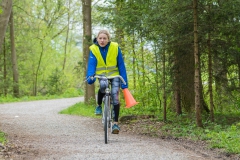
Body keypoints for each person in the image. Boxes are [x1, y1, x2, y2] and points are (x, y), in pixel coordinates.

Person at [86, 30, 128, 134]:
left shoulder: (115, 47)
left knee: (115, 96)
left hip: (115, 75)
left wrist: (124, 82)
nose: (102, 40)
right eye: (100, 38)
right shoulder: (94, 49)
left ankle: (115, 124)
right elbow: (91, 64)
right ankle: (99, 105)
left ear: (108, 39)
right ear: (97, 38)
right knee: (103, 86)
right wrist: (90, 76)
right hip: (102, 75)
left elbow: (121, 65)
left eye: (104, 38)